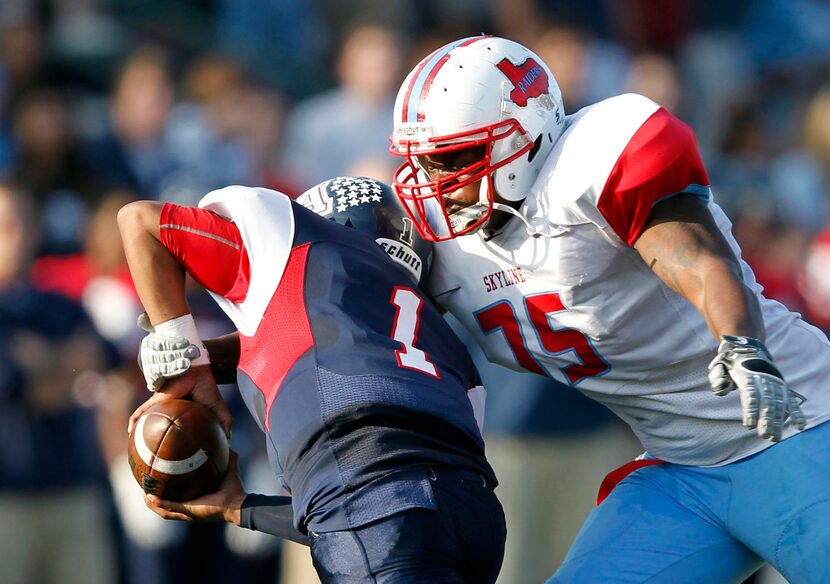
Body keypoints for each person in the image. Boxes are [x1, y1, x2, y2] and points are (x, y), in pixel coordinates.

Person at [386, 35, 830, 583]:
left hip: (798, 427)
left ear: (522, 141)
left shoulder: (589, 158)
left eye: (453, 158)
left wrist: (740, 340)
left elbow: (691, 254)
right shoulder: (438, 242)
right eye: (424, 162)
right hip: (683, 474)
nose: (436, 184)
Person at [117, 177, 505, 583]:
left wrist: (183, 353)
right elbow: (350, 520)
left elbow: (140, 220)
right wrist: (240, 507)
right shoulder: (449, 353)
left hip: (377, 513)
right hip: (475, 523)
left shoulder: (292, 243)